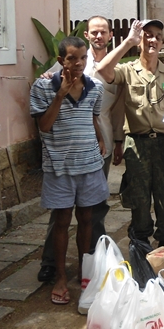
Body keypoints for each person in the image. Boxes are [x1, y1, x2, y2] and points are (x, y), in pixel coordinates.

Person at [37, 16, 126, 283]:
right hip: (64, 153)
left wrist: (115, 140)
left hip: (99, 147)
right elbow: (48, 92)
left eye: (104, 32)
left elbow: (112, 108)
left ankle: (91, 261)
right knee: (61, 212)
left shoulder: (115, 66)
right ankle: (51, 263)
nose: (99, 36)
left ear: (111, 35)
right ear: (87, 34)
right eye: (94, 32)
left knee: (94, 209)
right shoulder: (64, 61)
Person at [30, 36, 109, 305]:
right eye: (72, 58)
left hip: (89, 164)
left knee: (87, 219)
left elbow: (92, 117)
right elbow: (44, 126)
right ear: (61, 59)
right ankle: (61, 276)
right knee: (62, 221)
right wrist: (60, 94)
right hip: (59, 166)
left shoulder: (96, 88)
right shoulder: (42, 87)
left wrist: (99, 139)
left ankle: (84, 274)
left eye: (83, 58)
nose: (78, 63)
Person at [95, 19, 164, 248]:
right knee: (140, 200)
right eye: (147, 35)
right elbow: (102, 70)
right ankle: (141, 247)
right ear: (139, 41)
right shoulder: (127, 70)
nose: (152, 40)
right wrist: (127, 41)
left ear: (162, 43)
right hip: (138, 144)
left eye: (156, 36)